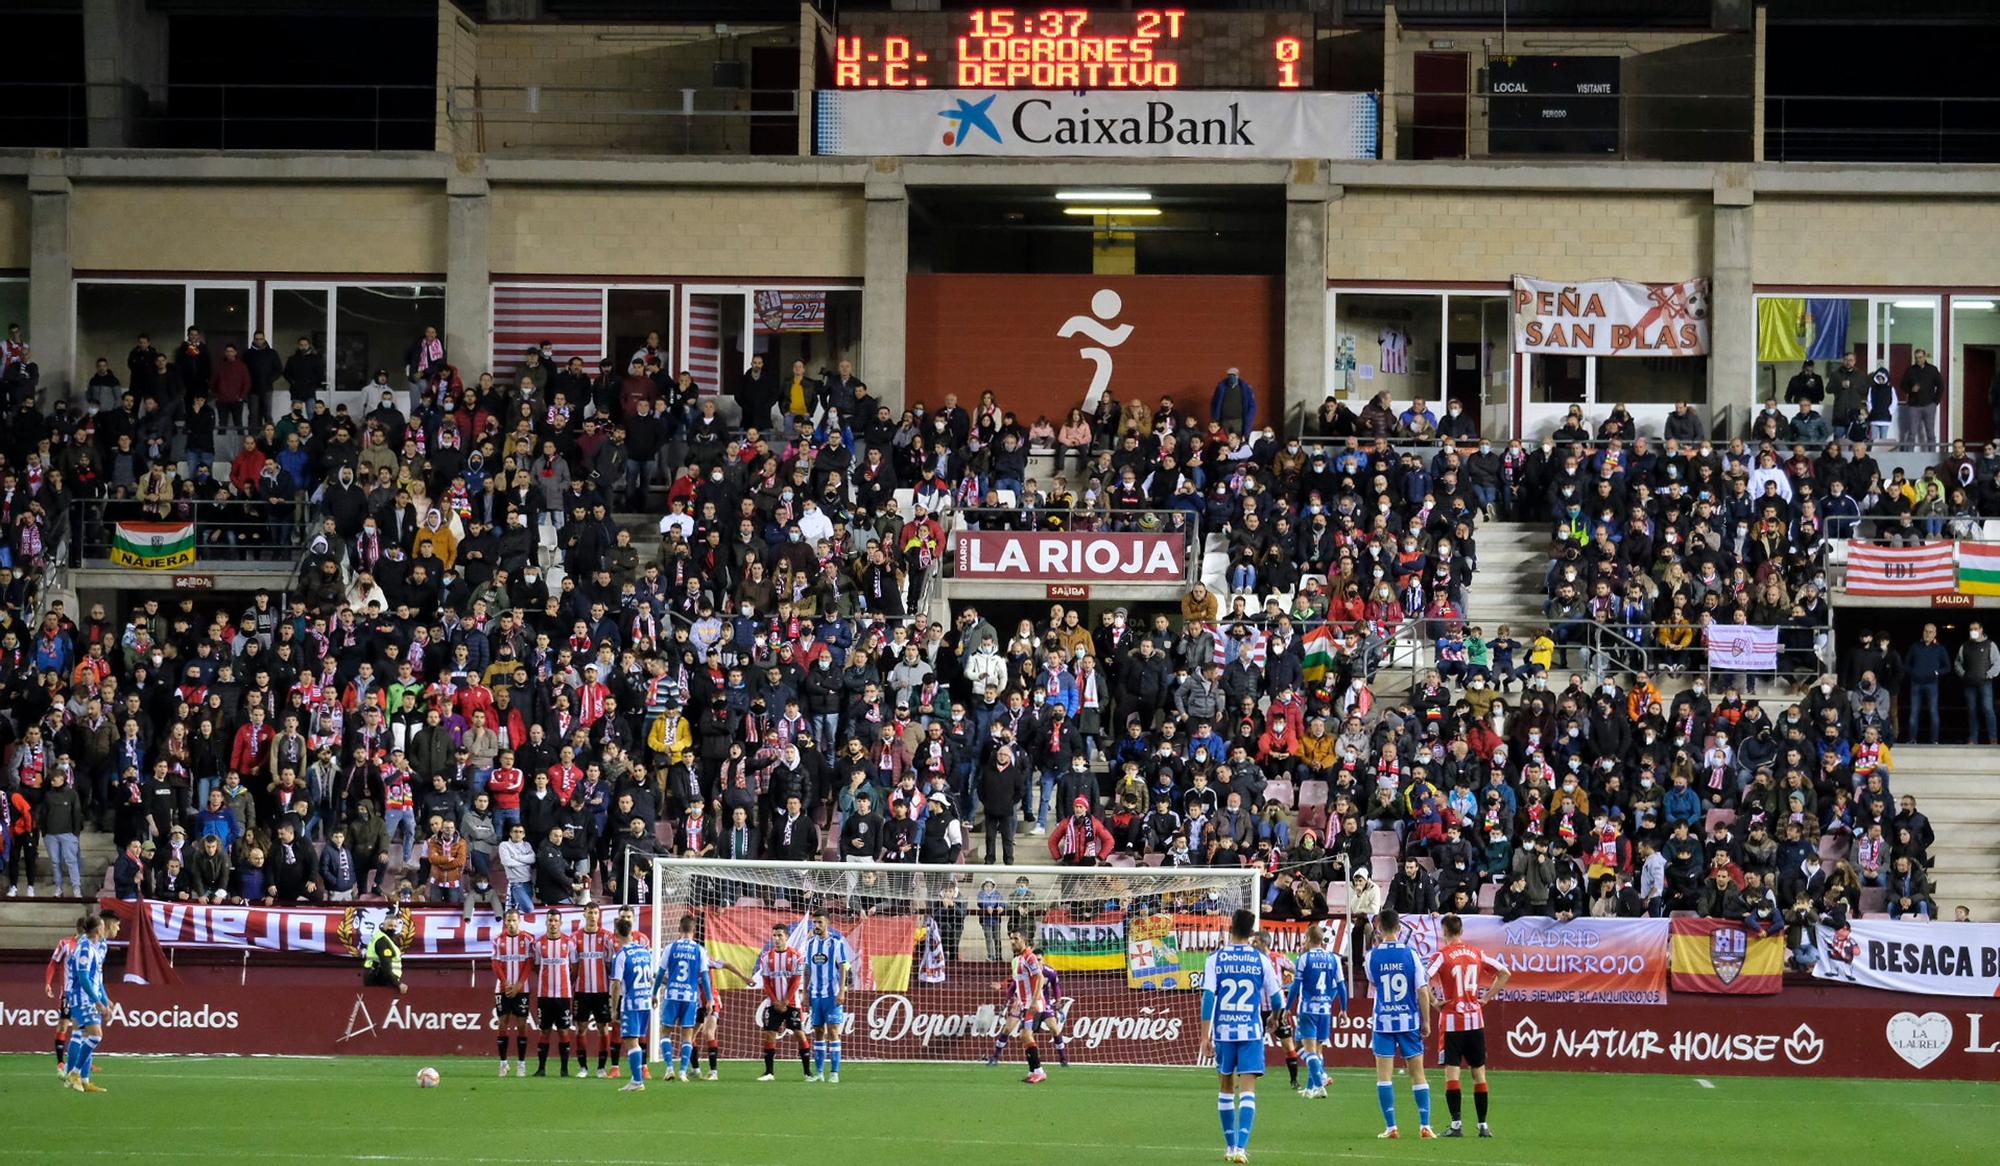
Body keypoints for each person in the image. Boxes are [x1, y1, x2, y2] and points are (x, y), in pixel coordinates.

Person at [1200, 908, 1282, 1164]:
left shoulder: (1215, 958)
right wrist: (1274, 1018)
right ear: (1251, 932)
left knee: (1226, 1087)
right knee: (1248, 1090)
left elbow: (1208, 997)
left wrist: (1205, 1036)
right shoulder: (1261, 960)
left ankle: (1230, 1145)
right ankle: (1241, 1149)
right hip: (1251, 1032)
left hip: (1224, 1032)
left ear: (1230, 927)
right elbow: (1278, 998)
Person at [1423, 913, 1510, 1138]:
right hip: (1475, 1020)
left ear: (1444, 932)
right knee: (1479, 1075)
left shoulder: (1442, 955)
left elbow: (1423, 978)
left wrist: (1434, 1002)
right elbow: (1504, 972)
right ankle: (1483, 1126)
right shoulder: (1476, 953)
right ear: (1461, 932)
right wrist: (1487, 997)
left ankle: (1456, 1125)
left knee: (1452, 1074)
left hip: (1452, 1022)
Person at [1366, 909, 1435, 1139]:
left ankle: (1391, 1126)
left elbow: (1374, 982)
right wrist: (1426, 1021)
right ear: (1399, 928)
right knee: (1418, 1074)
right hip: (1409, 1020)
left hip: (1384, 1022)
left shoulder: (1371, 956)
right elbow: (1422, 991)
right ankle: (1425, 1125)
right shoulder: (1411, 954)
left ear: (1379, 928)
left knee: (1384, 1076)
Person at [1284, 921, 1347, 1100]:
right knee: (1317, 1051)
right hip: (1325, 1010)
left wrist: (1288, 1007)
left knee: (1310, 1050)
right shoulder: (1334, 958)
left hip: (1308, 1009)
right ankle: (1311, 1088)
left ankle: (1320, 1085)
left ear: (1309, 938)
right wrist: (1344, 1009)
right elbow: (1342, 986)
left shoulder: (1304, 958)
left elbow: (1296, 986)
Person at [62, 911, 118, 1093]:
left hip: (88, 995)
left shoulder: (95, 945)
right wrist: (99, 1002)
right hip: (81, 996)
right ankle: (73, 1074)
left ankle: (82, 1079)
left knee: (86, 1036)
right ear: (99, 929)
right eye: (103, 926)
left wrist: (104, 998)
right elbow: (84, 978)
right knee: (92, 1036)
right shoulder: (86, 947)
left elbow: (97, 978)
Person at [987, 929, 1052, 1083]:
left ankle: (1039, 1071)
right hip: (1025, 1003)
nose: (1012, 941)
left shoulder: (1029, 957)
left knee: (1026, 1035)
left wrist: (1035, 1001)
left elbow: (1040, 978)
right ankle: (1033, 1071)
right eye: (1011, 938)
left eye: (1016, 938)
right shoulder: (1020, 959)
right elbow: (1019, 982)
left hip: (1033, 1003)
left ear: (1023, 939)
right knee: (1025, 1036)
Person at [754, 921, 814, 1081]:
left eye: (780, 935)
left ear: (787, 937)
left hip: (792, 1003)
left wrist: (786, 1001)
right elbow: (766, 982)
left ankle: (807, 1072)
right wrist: (775, 1001)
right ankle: (769, 1073)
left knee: (800, 1035)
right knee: (769, 1035)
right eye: (774, 935)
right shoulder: (766, 958)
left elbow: (797, 980)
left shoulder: (798, 957)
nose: (777, 938)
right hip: (773, 1004)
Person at [658, 913, 712, 1083]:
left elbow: (660, 973)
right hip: (690, 997)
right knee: (687, 1035)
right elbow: (705, 976)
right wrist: (709, 999)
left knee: (665, 1032)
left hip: (672, 995)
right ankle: (682, 1072)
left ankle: (668, 1068)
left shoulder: (670, 948)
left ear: (678, 929)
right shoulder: (699, 950)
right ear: (694, 931)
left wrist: (653, 993)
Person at [803, 908, 854, 1082]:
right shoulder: (810, 944)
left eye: (820, 922)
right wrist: (804, 992)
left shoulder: (836, 942)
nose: (816, 925)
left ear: (827, 923)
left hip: (832, 995)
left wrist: (842, 991)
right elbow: (807, 969)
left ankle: (834, 1072)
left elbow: (843, 967)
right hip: (815, 994)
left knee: (833, 1031)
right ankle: (819, 1073)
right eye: (814, 922)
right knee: (817, 1030)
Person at [608, 913, 656, 1092]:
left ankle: (637, 1081)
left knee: (631, 1041)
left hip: (631, 1003)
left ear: (616, 934)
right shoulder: (645, 951)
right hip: (645, 1002)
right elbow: (650, 977)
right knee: (636, 1040)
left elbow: (616, 984)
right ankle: (637, 1079)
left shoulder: (620, 956)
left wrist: (614, 1009)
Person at [569, 903, 618, 1078]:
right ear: (584, 914)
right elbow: (574, 967)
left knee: (603, 1028)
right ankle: (583, 1067)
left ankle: (601, 1068)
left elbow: (610, 965)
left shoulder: (607, 937)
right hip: (582, 991)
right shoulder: (575, 938)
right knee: (580, 1027)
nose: (592, 915)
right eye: (589, 912)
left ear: (599, 915)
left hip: (602, 991)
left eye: (595, 912)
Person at [531, 911, 578, 1077]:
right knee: (544, 1030)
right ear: (546, 923)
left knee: (564, 1031)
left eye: (555, 920)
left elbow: (574, 967)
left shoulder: (569, 943)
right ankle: (541, 1068)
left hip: (563, 995)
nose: (552, 923)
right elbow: (536, 966)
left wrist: (566, 982)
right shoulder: (538, 944)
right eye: (550, 920)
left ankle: (564, 1069)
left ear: (560, 923)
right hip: (544, 995)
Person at [491, 907, 534, 1077]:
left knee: (522, 1026)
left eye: (514, 920)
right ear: (505, 922)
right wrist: (506, 983)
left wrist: (519, 984)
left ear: (519, 921)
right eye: (508, 920)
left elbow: (529, 963)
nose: (511, 923)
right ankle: (503, 1063)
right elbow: (495, 963)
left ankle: (521, 1064)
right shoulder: (497, 940)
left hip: (522, 989)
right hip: (503, 988)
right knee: (503, 1023)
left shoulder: (528, 939)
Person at [46, 916, 90, 1075]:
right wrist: (48, 982)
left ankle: (83, 1062)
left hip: (85, 993)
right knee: (64, 1025)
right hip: (69, 992)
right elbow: (53, 963)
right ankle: (60, 1062)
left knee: (85, 1027)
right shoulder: (65, 944)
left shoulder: (90, 946)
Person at [1954, 621, 1999, 745]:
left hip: (1985, 684)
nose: (1973, 631)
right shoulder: (1965, 646)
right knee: (1972, 711)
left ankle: (1993, 738)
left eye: (1975, 628)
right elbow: (1957, 663)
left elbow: (1997, 663)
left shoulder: (1990, 644)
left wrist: (1987, 675)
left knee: (1988, 710)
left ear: (1981, 630)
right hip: (1969, 685)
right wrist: (1963, 674)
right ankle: (1973, 738)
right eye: (1971, 629)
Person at [361, 919, 407, 996]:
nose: (392, 928)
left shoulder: (385, 937)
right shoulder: (383, 941)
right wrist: (397, 983)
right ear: (383, 925)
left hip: (376, 976)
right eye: (390, 925)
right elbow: (386, 965)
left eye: (395, 926)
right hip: (380, 980)